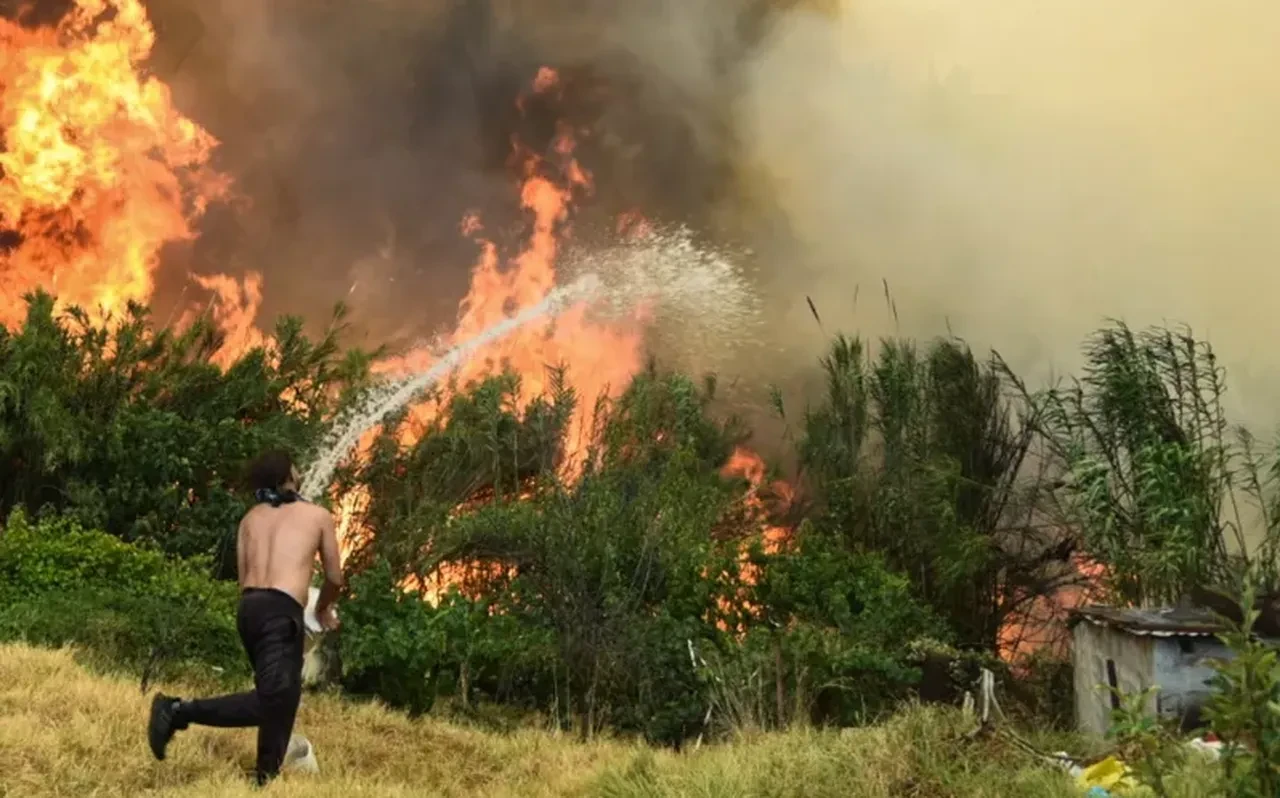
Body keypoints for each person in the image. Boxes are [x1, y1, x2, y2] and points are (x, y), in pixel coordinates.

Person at [147, 448, 344, 785]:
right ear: (287, 477)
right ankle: (177, 710)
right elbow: (335, 578)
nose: (299, 474)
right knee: (273, 701)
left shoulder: (249, 518)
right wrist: (323, 608)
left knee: (284, 695)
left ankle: (265, 778)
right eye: (295, 470)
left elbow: (244, 577)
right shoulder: (317, 515)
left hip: (250, 611)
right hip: (281, 614)